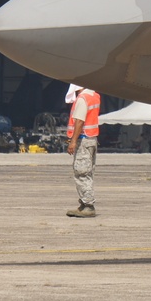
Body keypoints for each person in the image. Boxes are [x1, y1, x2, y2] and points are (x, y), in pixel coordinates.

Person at [65, 84, 101, 218]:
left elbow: (79, 121)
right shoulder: (95, 96)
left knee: (81, 172)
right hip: (92, 139)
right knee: (88, 172)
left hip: (83, 140)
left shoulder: (82, 98)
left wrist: (73, 141)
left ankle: (88, 205)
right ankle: (84, 203)